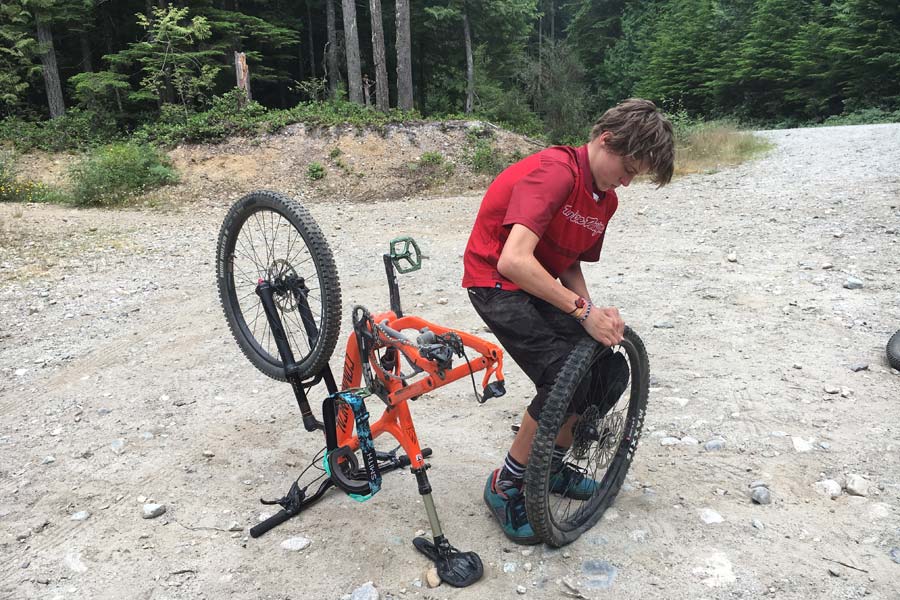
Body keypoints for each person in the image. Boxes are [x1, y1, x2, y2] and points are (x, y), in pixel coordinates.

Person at [462, 98, 675, 544]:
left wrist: (592, 316)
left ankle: (550, 468)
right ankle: (506, 484)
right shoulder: (557, 171)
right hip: (495, 282)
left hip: (537, 282)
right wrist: (582, 313)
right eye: (630, 168)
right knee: (564, 377)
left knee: (609, 369)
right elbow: (514, 261)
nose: (629, 182)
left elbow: (569, 262)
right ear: (606, 140)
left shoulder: (606, 199)